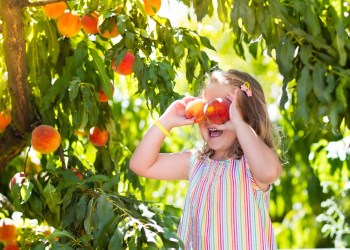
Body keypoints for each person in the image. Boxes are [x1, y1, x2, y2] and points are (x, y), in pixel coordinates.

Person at [129, 69, 283, 249]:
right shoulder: (196, 163)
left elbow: (270, 171)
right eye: (205, 108)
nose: (211, 115)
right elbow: (141, 165)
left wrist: (239, 124)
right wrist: (167, 120)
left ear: (246, 117)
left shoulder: (250, 165)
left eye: (224, 107)